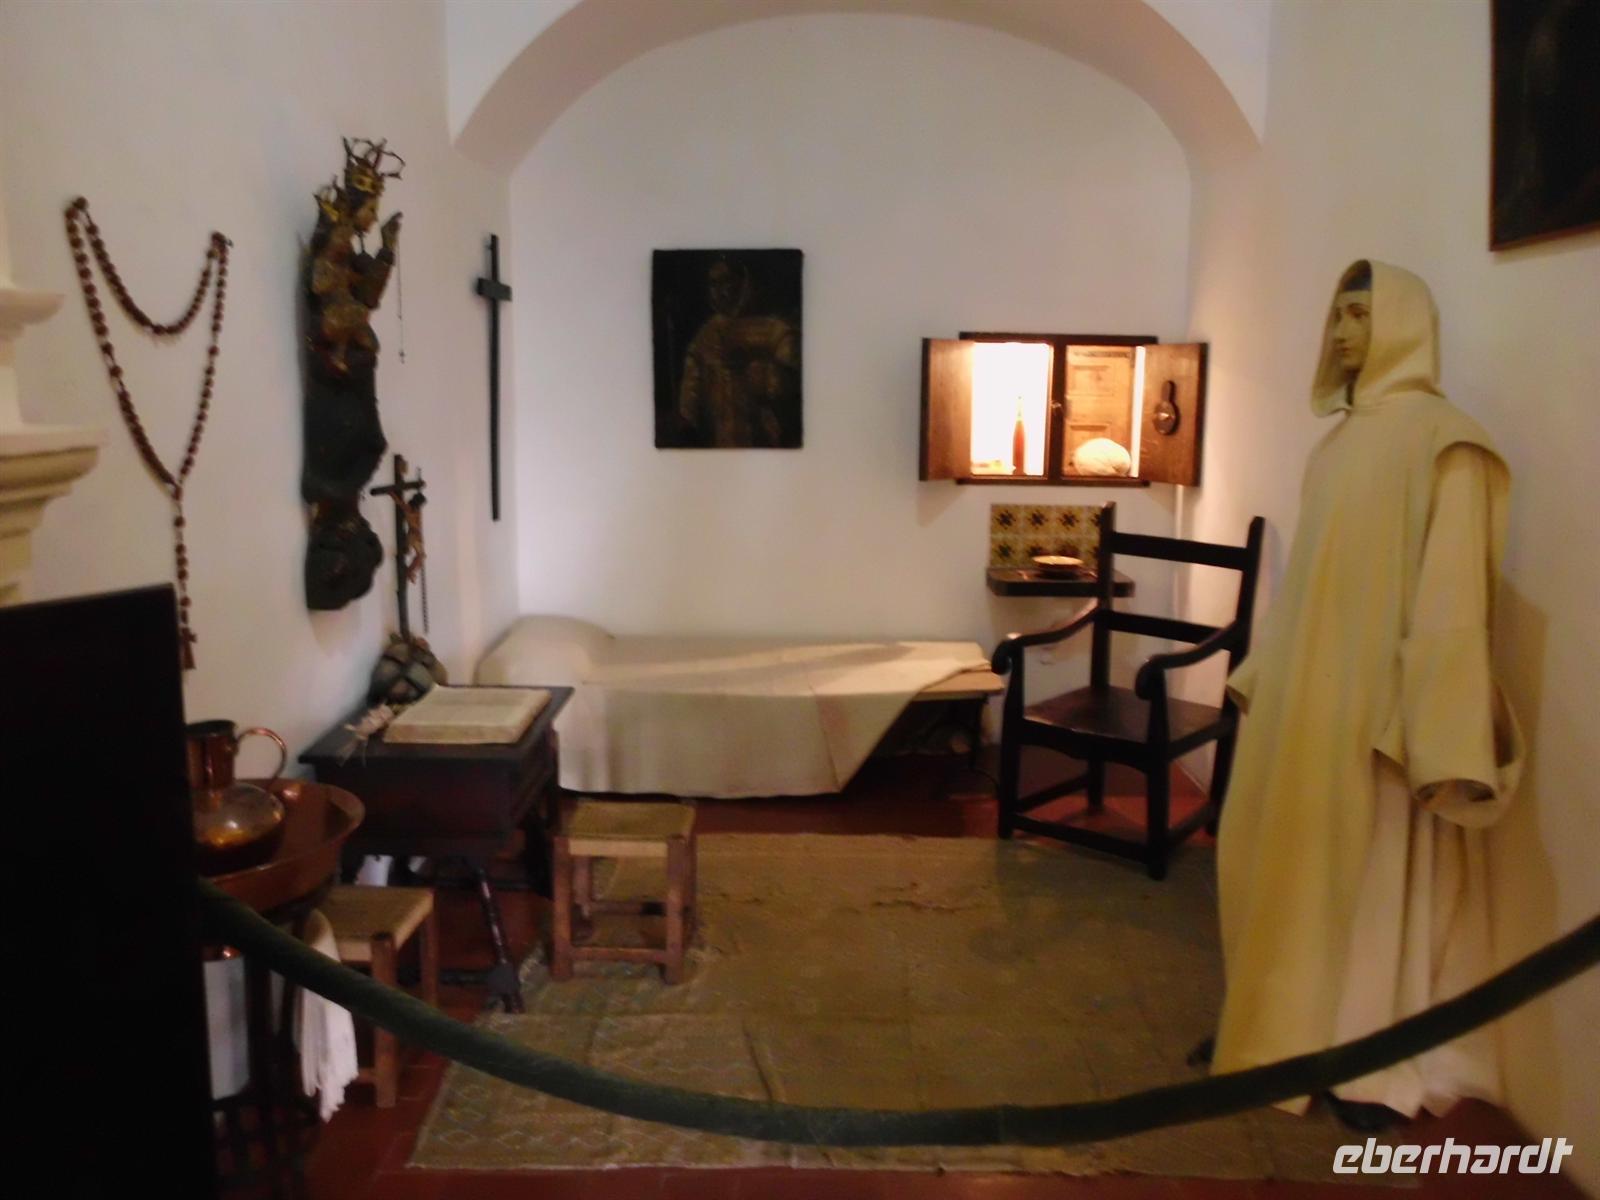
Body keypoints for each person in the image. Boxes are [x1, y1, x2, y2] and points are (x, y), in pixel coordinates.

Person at [1210, 261, 1524, 1128]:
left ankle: (1362, 1065)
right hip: (1304, 700)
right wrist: (1267, 675)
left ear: (1405, 323)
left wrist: (1437, 728)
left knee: (1367, 888)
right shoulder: (1340, 443)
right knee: (1272, 863)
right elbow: (1309, 581)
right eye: (1339, 316)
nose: (1343, 333)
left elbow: (1453, 603)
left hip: (1373, 709)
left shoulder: (1447, 444)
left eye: (1362, 314)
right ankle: (1267, 1032)